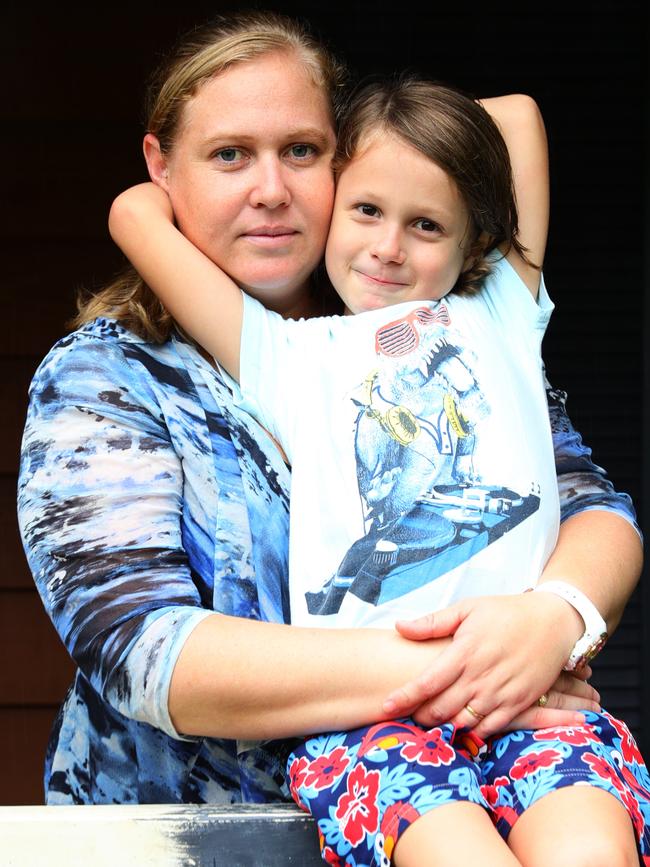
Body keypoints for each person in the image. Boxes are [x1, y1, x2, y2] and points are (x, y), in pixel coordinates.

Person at [17, 6, 639, 842]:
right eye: (229, 153)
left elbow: (586, 504)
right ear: (165, 167)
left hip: (495, 771)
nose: (272, 189)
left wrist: (554, 616)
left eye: (302, 152)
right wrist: (476, 672)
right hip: (194, 837)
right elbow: (140, 646)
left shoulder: (437, 326)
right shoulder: (113, 373)